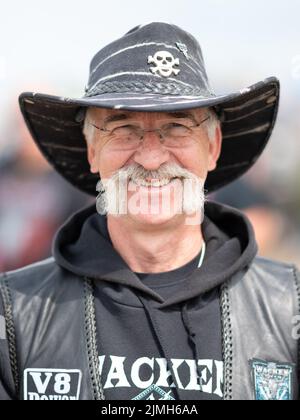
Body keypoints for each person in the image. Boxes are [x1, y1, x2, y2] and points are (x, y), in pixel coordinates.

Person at [0, 22, 299, 401]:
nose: (152, 157)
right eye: (124, 129)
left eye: (177, 127)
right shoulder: (14, 316)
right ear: (93, 152)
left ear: (213, 146)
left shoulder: (290, 306)